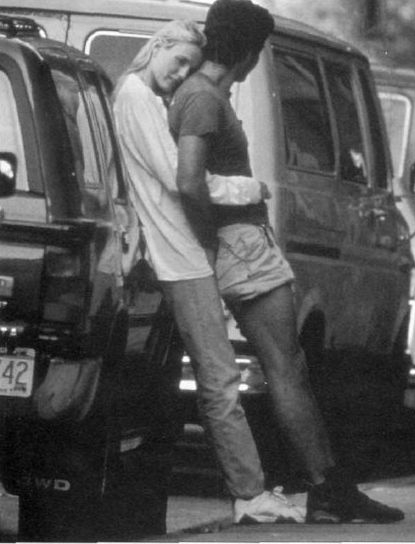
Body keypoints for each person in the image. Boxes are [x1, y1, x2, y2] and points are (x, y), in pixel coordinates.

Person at [168, 0, 405, 524]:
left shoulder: (198, 93)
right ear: (249, 51)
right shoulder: (204, 99)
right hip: (240, 244)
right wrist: (212, 240)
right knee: (286, 367)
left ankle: (326, 484)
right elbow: (189, 179)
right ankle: (328, 489)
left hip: (235, 241)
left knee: (280, 367)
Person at [113, 19, 305, 524]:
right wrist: (249, 189)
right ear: (157, 44)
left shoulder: (142, 97)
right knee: (220, 379)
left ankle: (241, 491)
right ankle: (249, 493)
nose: (181, 74)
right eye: (178, 61)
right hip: (182, 258)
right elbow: (183, 178)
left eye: (189, 67)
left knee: (204, 379)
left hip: (179, 256)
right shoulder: (135, 96)